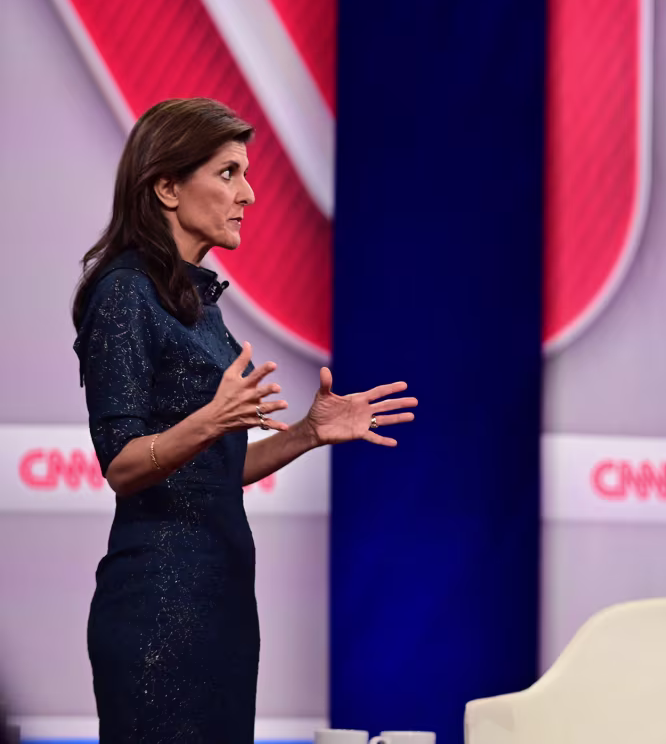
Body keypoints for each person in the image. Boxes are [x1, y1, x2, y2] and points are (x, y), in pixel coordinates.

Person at [72, 98, 418, 742]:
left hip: (221, 598)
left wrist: (307, 434)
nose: (249, 194)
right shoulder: (124, 292)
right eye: (228, 173)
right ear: (167, 187)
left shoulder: (195, 302)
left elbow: (213, 472)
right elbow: (121, 465)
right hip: (158, 606)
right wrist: (209, 421)